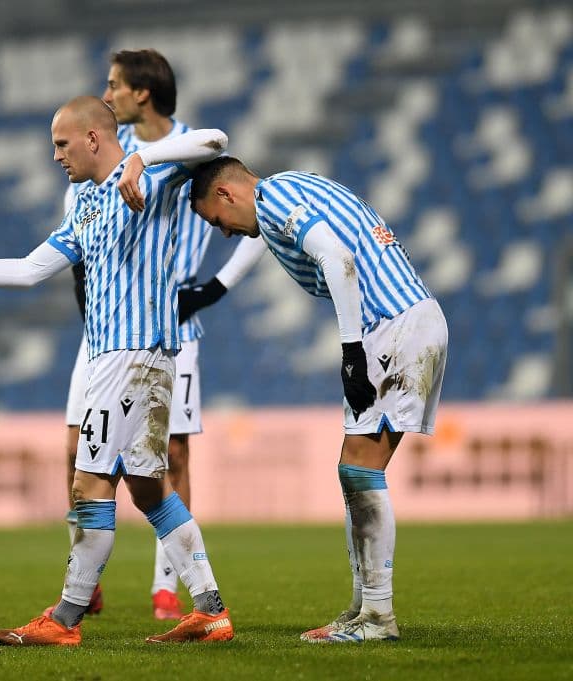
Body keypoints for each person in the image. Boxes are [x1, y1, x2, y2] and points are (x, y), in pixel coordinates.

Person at [0, 96, 234, 646]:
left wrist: (144, 157)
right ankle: (211, 611)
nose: (55, 156)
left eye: (62, 144)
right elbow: (29, 270)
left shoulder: (151, 173)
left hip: (130, 355)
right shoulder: (86, 205)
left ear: (93, 138)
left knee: (89, 483)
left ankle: (65, 620)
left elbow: (216, 141)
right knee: (148, 490)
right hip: (131, 358)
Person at [169, 156, 448, 643]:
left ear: (226, 194)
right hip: (408, 317)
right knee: (355, 470)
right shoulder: (293, 187)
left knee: (361, 470)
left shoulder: (274, 197)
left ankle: (377, 616)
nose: (225, 233)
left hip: (392, 324)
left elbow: (337, 259)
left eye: (217, 221)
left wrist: (351, 352)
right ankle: (364, 609)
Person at [53, 49, 244, 621]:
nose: (107, 93)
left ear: (143, 92)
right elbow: (67, 252)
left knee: (163, 460)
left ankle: (160, 590)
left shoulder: (179, 150)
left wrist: (215, 287)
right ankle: (94, 580)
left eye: (114, 84)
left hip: (165, 324)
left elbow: (240, 188)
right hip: (106, 328)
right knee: (88, 455)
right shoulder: (92, 167)